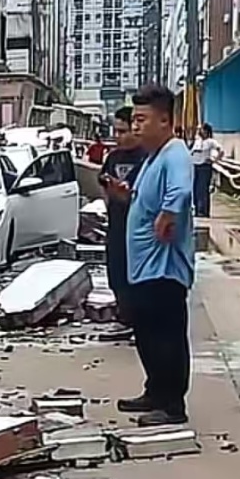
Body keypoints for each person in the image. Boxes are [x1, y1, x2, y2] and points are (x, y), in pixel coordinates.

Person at [117, 83, 195, 428]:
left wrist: (168, 214)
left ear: (165, 121)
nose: (136, 126)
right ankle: (155, 391)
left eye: (142, 119)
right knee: (147, 334)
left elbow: (181, 189)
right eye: (134, 119)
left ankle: (172, 403)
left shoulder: (175, 151)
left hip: (164, 268)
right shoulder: (153, 158)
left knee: (166, 335)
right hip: (144, 268)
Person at [98, 106, 144, 326]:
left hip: (138, 228)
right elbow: (103, 183)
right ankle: (123, 313)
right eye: (115, 131)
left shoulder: (148, 158)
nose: (118, 137)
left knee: (136, 275)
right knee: (116, 272)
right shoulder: (113, 157)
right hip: (116, 226)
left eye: (123, 131)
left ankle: (137, 318)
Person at [191, 122, 222, 218]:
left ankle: (204, 211)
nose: (200, 131)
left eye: (202, 129)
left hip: (204, 166)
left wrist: (215, 160)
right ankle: (196, 209)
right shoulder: (197, 141)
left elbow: (221, 150)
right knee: (195, 189)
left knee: (203, 189)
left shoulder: (211, 142)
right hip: (195, 166)